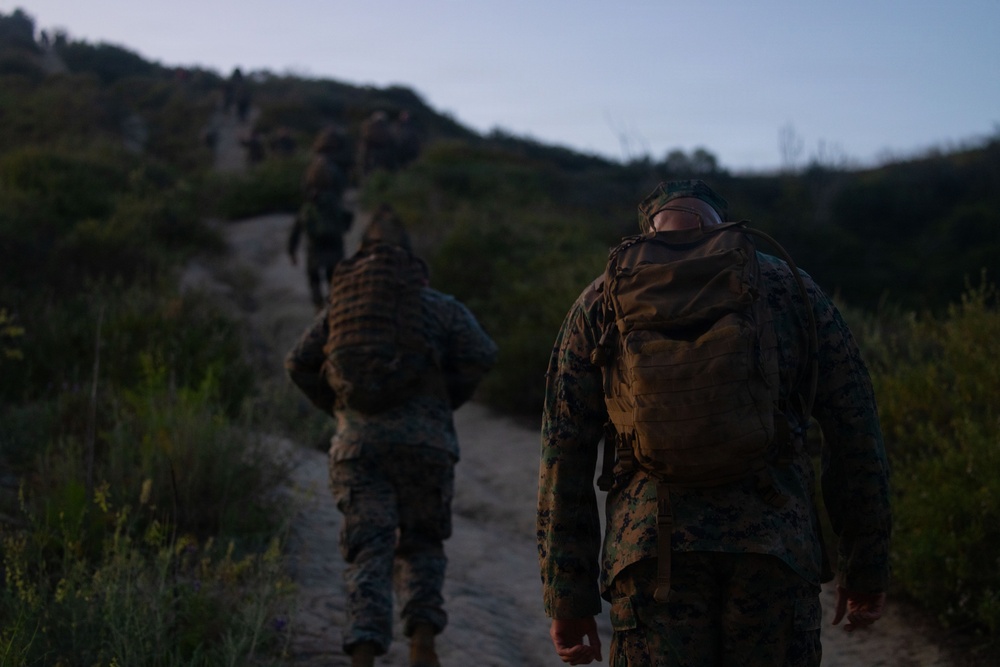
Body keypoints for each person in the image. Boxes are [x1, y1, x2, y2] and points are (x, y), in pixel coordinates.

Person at [537, 180, 891, 666]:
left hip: (650, 555)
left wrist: (567, 597)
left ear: (650, 226)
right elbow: (855, 432)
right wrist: (865, 566)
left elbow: (563, 452)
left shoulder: (602, 299)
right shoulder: (791, 287)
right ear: (723, 223)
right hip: (774, 548)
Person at [285, 218, 498, 667]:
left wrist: (339, 406)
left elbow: (298, 362)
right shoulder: (440, 307)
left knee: (369, 548)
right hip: (426, 446)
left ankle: (363, 649)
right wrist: (444, 400)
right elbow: (482, 352)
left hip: (357, 448)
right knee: (422, 542)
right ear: (413, 264)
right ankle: (423, 642)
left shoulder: (341, 311)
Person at [288, 128, 353, 309]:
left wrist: (291, 251)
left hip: (314, 239)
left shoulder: (310, 172)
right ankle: (336, 304)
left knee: (314, 274)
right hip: (334, 235)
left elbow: (297, 227)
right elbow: (347, 215)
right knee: (335, 273)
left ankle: (318, 307)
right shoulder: (337, 171)